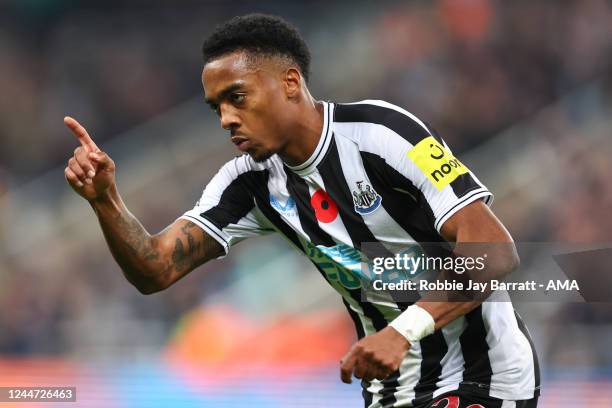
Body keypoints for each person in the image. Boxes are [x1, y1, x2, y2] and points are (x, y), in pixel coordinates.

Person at [63, 13, 539, 408]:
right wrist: (105, 200)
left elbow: (495, 253)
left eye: (237, 97)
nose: (227, 118)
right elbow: (155, 269)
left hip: (484, 376)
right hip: (391, 390)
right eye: (216, 108)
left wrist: (401, 330)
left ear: (290, 82)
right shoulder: (248, 183)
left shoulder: (383, 134)